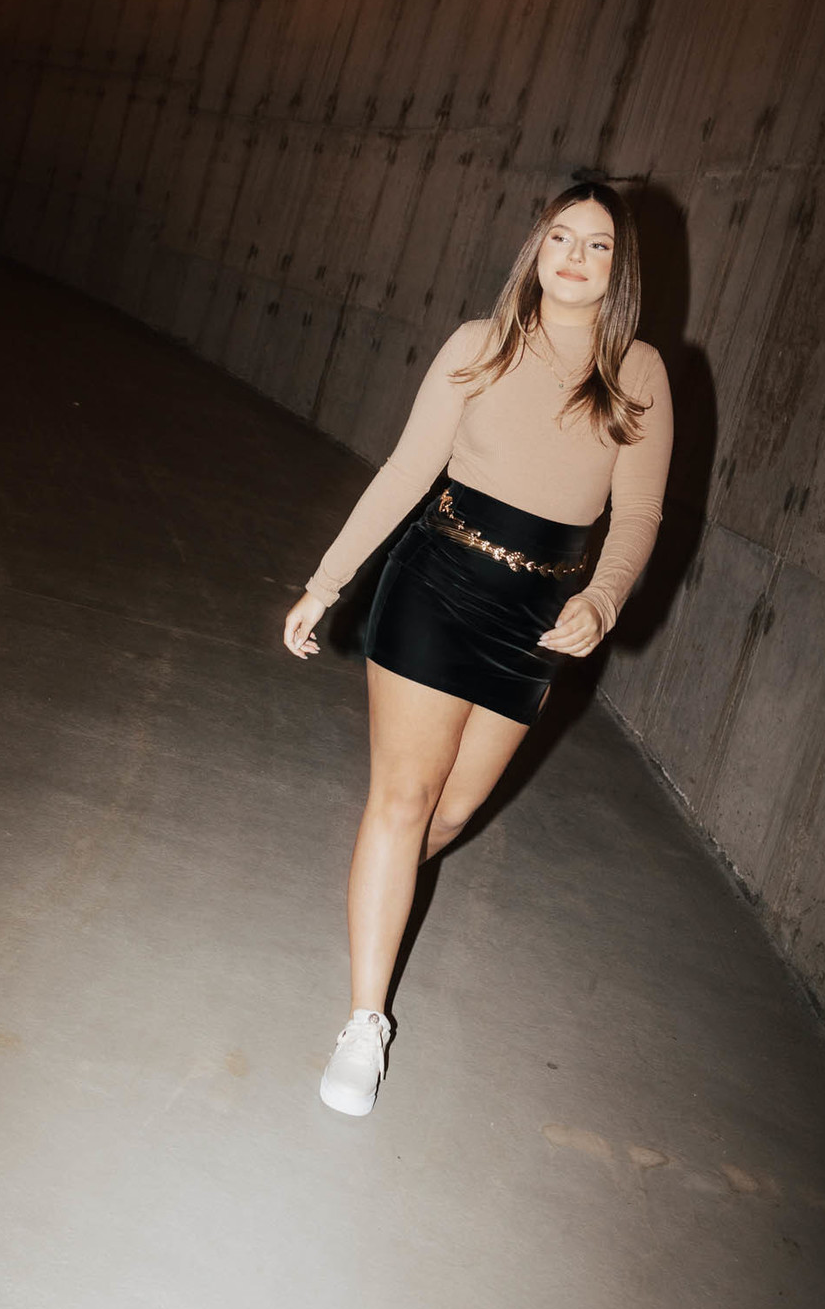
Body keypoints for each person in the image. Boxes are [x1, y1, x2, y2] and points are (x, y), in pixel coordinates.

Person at [283, 181, 674, 1117]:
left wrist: (602, 600)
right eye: (561, 237)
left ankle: (375, 889)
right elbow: (405, 472)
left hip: (535, 615)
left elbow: (639, 514)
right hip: (435, 584)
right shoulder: (479, 344)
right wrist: (326, 582)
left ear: (620, 269)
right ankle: (366, 1021)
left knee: (450, 813)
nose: (575, 257)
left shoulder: (641, 372)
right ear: (536, 248)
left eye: (598, 245)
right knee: (402, 797)